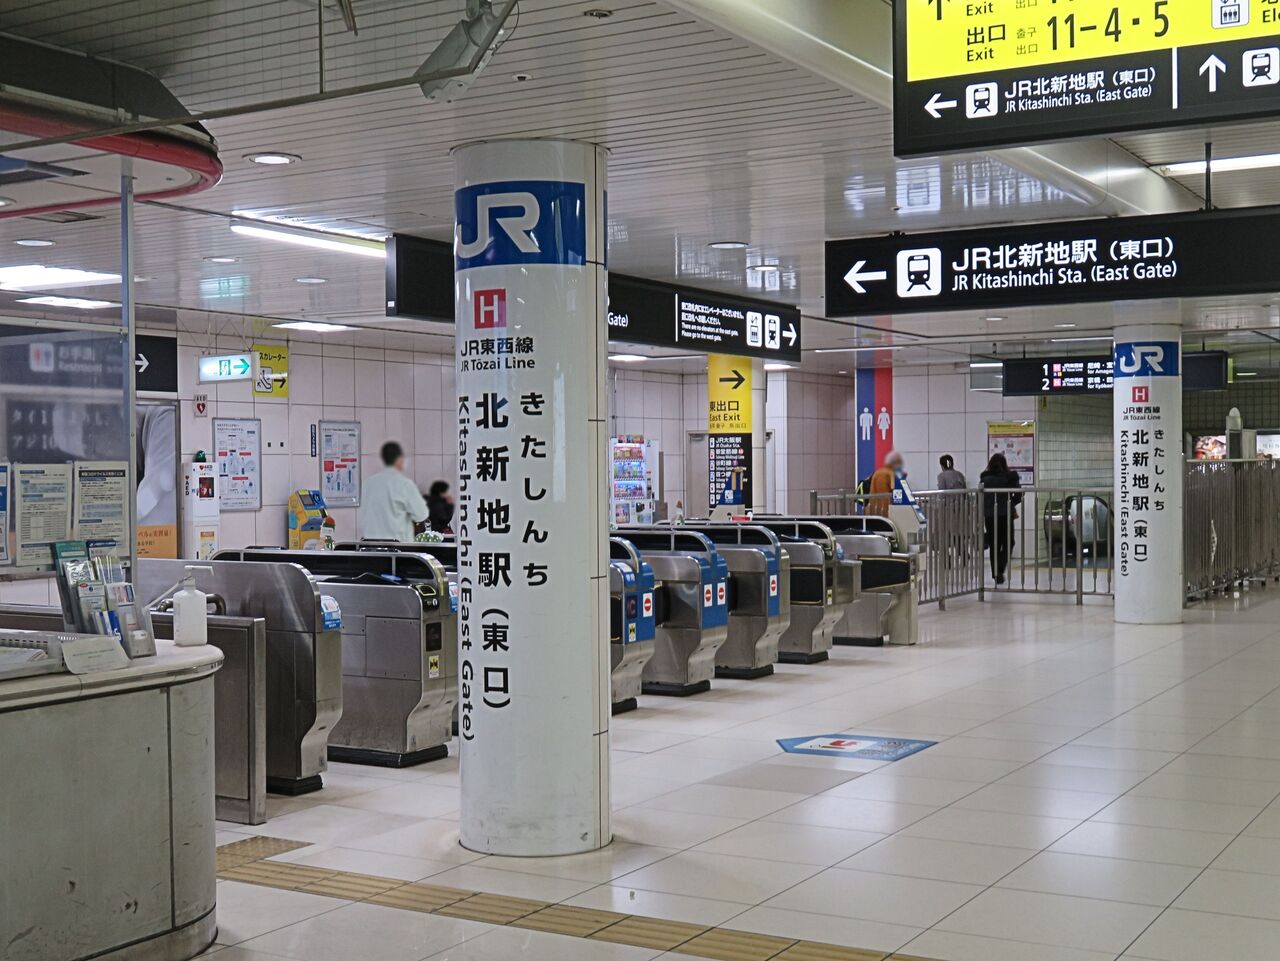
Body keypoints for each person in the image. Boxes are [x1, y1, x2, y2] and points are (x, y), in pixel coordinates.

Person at [358, 441, 428, 542]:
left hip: (370, 547)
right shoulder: (404, 484)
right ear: (399, 460)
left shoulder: (367, 484)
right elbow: (421, 515)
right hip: (398, 549)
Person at [980, 452, 1023, 584]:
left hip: (989, 515)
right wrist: (1011, 503)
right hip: (1005, 514)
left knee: (994, 544)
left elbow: (981, 497)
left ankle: (995, 573)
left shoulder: (984, 478)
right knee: (1009, 542)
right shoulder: (1010, 477)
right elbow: (1018, 494)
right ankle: (1000, 568)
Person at [866, 450, 904, 516]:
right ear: (895, 463)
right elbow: (886, 496)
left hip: (874, 510)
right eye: (900, 462)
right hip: (882, 512)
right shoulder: (888, 474)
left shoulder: (880, 472)